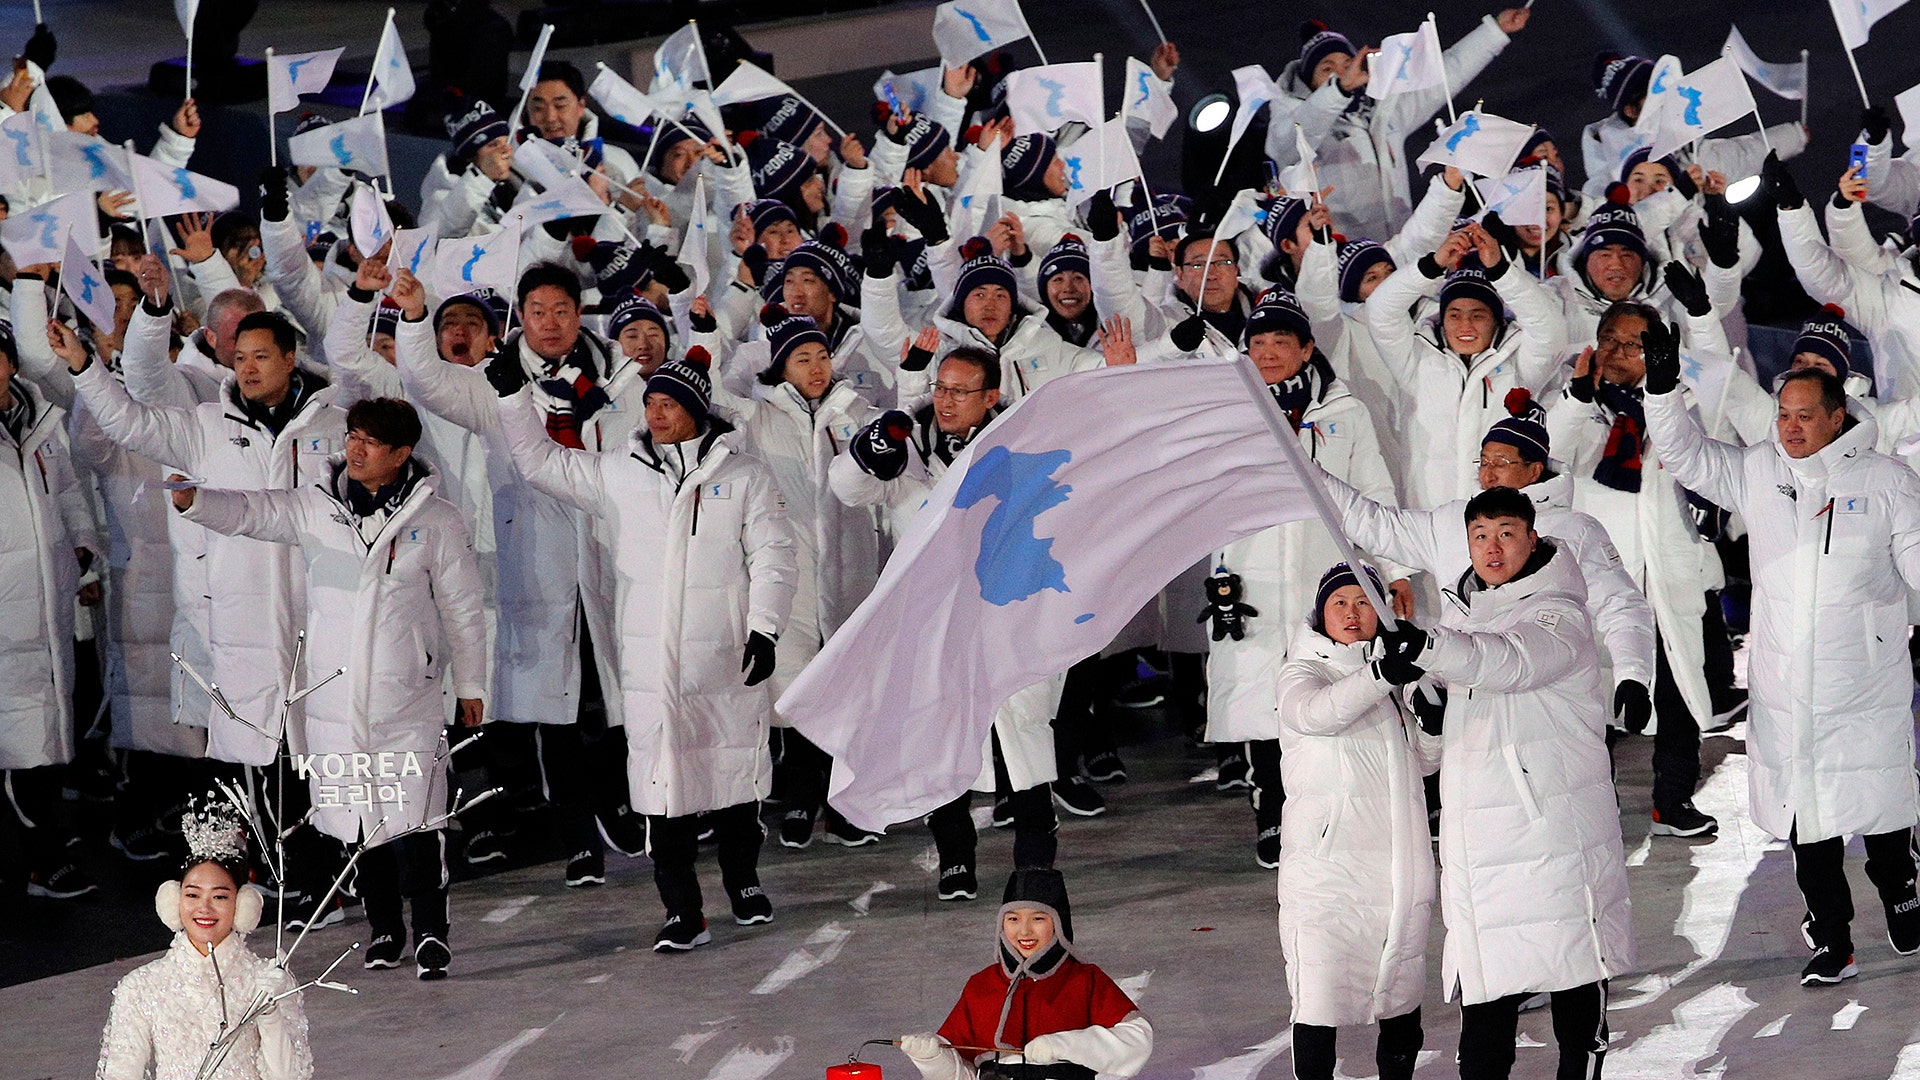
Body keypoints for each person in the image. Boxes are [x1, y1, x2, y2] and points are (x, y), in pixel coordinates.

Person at [172, 398, 488, 980]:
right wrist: (196, 502)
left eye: (370, 442)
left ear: (401, 454)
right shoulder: (316, 506)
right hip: (334, 701)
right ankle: (385, 930)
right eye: (352, 437)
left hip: (405, 701)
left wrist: (470, 683)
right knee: (358, 823)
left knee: (416, 821)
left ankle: (432, 933)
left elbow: (464, 608)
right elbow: (252, 513)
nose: (355, 450)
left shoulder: (436, 520)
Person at [1641, 328, 1920, 986]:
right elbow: (1688, 457)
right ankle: (1834, 938)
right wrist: (1660, 394)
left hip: (1862, 681)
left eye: (1803, 416)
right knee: (1806, 818)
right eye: (1782, 415)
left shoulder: (1885, 481)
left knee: (1877, 806)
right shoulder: (1761, 471)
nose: (1790, 428)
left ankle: (1904, 901)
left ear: (1837, 416)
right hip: (1784, 684)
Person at [494, 349, 798, 951]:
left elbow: (774, 556)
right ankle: (682, 910)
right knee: (662, 788)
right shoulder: (619, 472)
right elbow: (538, 462)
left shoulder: (744, 476)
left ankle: (743, 883)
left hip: (723, 656)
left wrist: (763, 628)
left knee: (733, 774)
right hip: (649, 668)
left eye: (669, 405)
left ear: (696, 410)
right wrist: (511, 399)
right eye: (651, 402)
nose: (656, 414)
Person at [392, 264, 644, 885]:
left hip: (611, 553)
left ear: (577, 313)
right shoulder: (492, 381)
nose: (551, 323)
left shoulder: (619, 377)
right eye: (538, 311)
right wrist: (417, 318)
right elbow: (425, 380)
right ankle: (579, 836)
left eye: (562, 310)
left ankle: (630, 803)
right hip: (533, 557)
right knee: (552, 708)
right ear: (521, 317)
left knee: (616, 692)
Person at [1375, 486, 1631, 1080]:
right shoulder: (1465, 615)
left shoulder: (1558, 612)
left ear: (1532, 538)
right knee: (1485, 1004)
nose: (1492, 548)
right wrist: (1432, 712)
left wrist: (1430, 646)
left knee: (1570, 967)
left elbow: (1509, 660)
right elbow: (1452, 716)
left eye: (1507, 533)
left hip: (1552, 832)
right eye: (1480, 536)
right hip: (1480, 842)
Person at [830, 348, 1059, 899]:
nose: (946, 400)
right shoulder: (905, 451)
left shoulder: (1022, 449)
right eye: (940, 387)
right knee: (938, 734)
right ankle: (956, 857)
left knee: (1023, 737)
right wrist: (867, 453)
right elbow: (848, 489)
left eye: (961, 391)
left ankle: (1034, 860)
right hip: (933, 627)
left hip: (1008, 620)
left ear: (989, 398)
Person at [1547, 298, 1770, 836]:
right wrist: (1577, 400)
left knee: (1679, 693)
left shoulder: (1685, 405)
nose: (1620, 353)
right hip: (1598, 578)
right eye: (1611, 342)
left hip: (1668, 573)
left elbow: (1729, 455)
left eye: (1635, 344)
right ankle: (1586, 806)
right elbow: (1546, 455)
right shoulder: (1576, 401)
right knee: (1594, 697)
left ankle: (1672, 800)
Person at [1202, 289, 1405, 867]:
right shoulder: (1231, 416)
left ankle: (1333, 813)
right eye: (1257, 342)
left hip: (1328, 579)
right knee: (1265, 699)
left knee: (1333, 691)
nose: (1267, 353)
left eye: (1280, 342)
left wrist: (1395, 571)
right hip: (1254, 579)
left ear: (1307, 348)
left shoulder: (1346, 412)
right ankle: (1272, 814)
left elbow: (1375, 493)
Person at [1274, 564, 1439, 1080]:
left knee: (1400, 1001)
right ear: (1321, 613)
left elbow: (1419, 761)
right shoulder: (1302, 672)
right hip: (1327, 875)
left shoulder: (1390, 677)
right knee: (1319, 1003)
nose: (1351, 612)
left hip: (1393, 869)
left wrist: (1433, 722)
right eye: (1339, 602)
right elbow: (1317, 714)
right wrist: (1380, 675)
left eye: (1364, 601)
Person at [1263, 10, 1528, 240]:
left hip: (1399, 251)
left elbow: (1444, 77)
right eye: (1327, 68)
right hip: (1346, 263)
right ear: (1308, 81)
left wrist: (1495, 31)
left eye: (1347, 64)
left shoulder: (1383, 113)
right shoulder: (1296, 123)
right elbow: (1288, 145)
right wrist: (1339, 90)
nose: (1343, 73)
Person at [96, 801, 312, 1079]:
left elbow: (290, 1077)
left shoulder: (266, 981)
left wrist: (271, 1017)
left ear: (243, 905)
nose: (205, 909)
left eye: (220, 897)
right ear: (173, 900)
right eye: (193, 895)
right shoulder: (141, 986)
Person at [0, 319, 101, 900]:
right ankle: (38, 859)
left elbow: (66, 493)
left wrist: (83, 548)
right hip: (7, 620)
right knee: (20, 747)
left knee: (46, 737)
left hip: (46, 609)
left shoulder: (40, 422)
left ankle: (42, 860)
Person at [1366, 222, 1565, 509]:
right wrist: (1433, 265)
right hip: (1430, 520)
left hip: (1500, 529)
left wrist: (1500, 270)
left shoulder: (1518, 365)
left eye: (1478, 315)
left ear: (1497, 320)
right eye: (1454, 315)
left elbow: (1550, 330)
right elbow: (1380, 310)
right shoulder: (1417, 359)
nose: (1465, 325)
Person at [898, 868, 1153, 1079]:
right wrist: (932, 1058)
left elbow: (1136, 1039)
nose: (1024, 932)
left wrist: (1061, 1045)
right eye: (1013, 919)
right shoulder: (981, 985)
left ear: (1059, 923)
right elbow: (961, 1074)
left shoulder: (1084, 979)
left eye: (1038, 918)